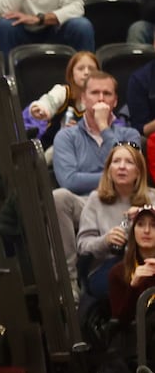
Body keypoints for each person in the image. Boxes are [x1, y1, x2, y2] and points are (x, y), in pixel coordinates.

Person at [52, 71, 140, 298]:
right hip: (86, 203)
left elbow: (131, 172)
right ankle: (68, 280)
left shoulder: (130, 133)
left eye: (107, 93)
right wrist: (112, 175)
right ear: (83, 99)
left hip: (126, 201)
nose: (101, 98)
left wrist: (104, 128)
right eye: (95, 93)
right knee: (59, 197)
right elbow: (69, 180)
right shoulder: (66, 137)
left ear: (115, 101)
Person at [76, 142, 154, 304]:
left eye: (129, 162)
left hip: (147, 262)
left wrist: (146, 212)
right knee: (130, 280)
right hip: (107, 267)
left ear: (138, 172)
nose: (122, 167)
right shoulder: (95, 200)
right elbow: (83, 245)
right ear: (109, 170)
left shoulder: (152, 198)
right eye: (116, 161)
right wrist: (105, 240)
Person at [26, 49, 98, 147]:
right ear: (72, 73)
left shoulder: (100, 100)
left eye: (91, 69)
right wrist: (41, 108)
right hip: (52, 147)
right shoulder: (62, 91)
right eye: (80, 69)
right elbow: (49, 101)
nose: (86, 72)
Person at [109, 204, 155, 326]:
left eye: (153, 225)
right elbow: (119, 322)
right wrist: (133, 286)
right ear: (133, 230)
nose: (146, 230)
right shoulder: (118, 272)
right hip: (136, 341)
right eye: (140, 224)